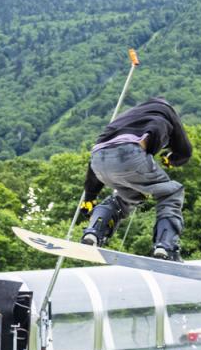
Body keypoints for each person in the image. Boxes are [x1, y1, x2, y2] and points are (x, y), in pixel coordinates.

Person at [79, 97, 193, 260]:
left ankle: (95, 232)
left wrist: (90, 197)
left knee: (125, 197)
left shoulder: (127, 116)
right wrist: (171, 159)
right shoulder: (167, 112)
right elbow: (185, 151)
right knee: (172, 192)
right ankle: (166, 246)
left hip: (98, 161)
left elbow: (97, 158)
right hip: (130, 156)